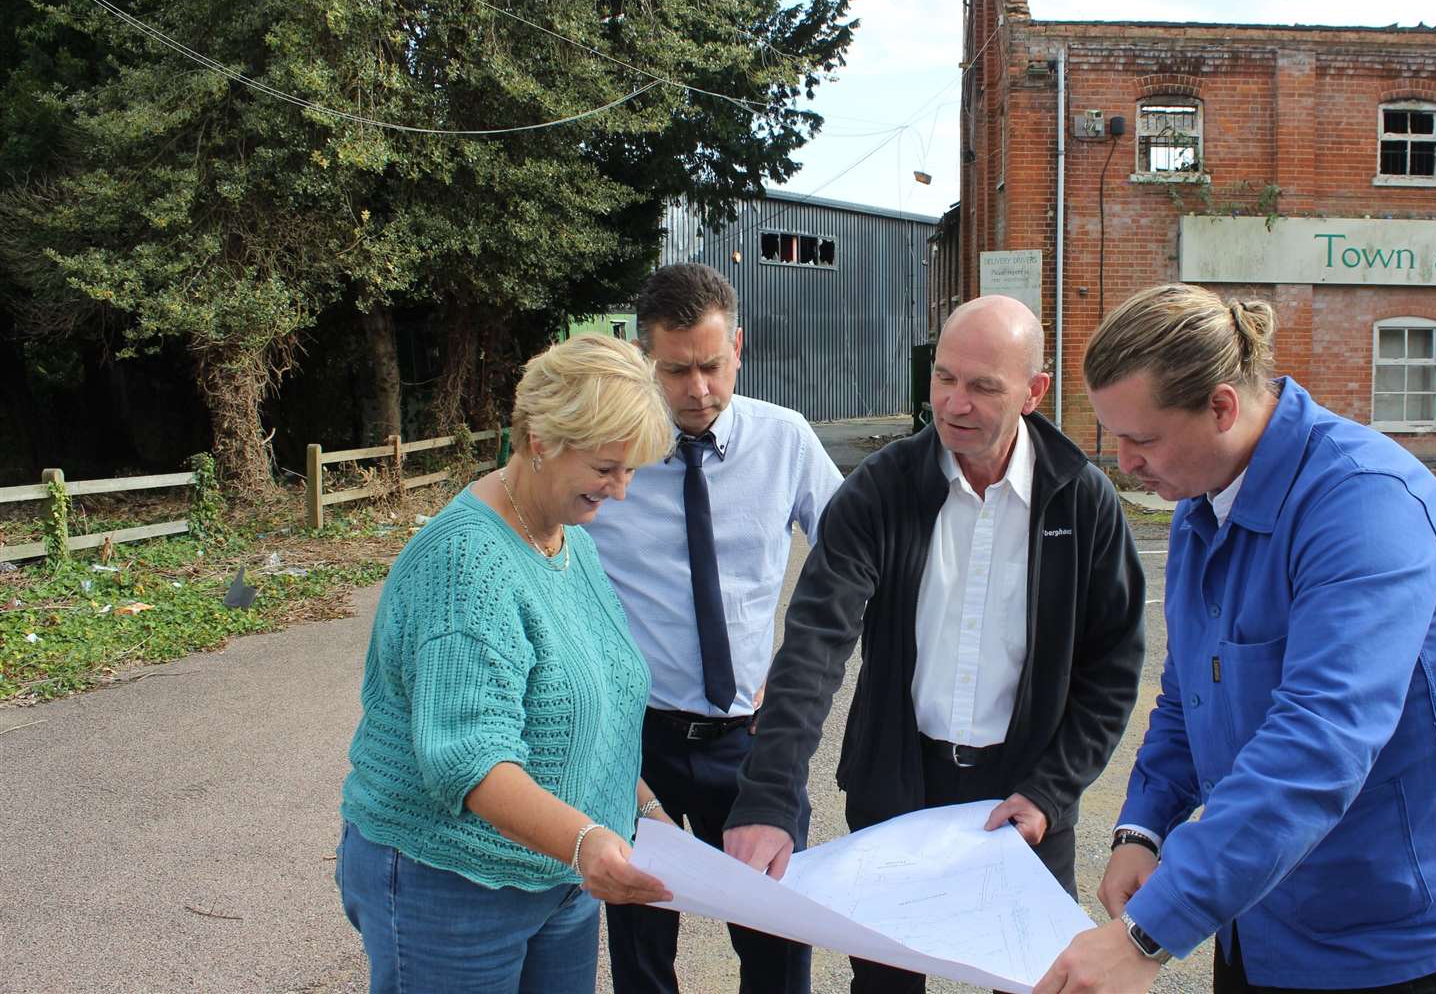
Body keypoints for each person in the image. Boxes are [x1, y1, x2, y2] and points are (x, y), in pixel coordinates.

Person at [1036, 284, 1436, 994]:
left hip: (1390, 933)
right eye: (1112, 436)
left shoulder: (1365, 504)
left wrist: (1146, 936)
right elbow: (1189, 691)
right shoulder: (1202, 500)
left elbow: (1322, 737)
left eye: (1141, 438)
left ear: (1221, 407)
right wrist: (1142, 828)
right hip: (1262, 907)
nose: (1123, 462)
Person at [725, 293, 1148, 994]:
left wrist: (1051, 789)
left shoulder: (1082, 501)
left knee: (1033, 981)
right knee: (886, 982)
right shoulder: (879, 491)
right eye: (944, 377)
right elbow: (814, 644)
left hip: (1025, 798)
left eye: (983, 386)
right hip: (897, 788)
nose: (954, 403)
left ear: (1034, 392)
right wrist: (769, 795)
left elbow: (1113, 667)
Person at [336, 334, 678, 994]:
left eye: (632, 469)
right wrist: (585, 843)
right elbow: (468, 758)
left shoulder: (564, 537)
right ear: (543, 439)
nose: (622, 491)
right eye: (607, 467)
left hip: (556, 872)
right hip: (452, 883)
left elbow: (592, 704)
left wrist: (645, 809)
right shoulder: (467, 566)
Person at [585, 263, 843, 994]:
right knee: (640, 947)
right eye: (674, 371)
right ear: (645, 360)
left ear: (738, 346)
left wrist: (796, 676)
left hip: (751, 742)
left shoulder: (785, 441)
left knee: (777, 941)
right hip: (639, 743)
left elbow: (855, 560)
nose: (697, 390)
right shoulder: (610, 457)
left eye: (710, 365)